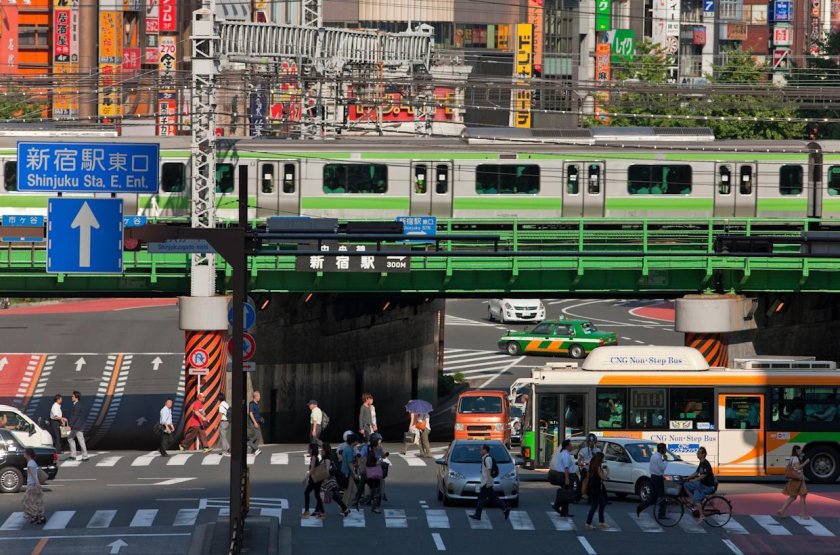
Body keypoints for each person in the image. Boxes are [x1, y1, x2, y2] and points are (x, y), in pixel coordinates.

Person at [469, 443, 510, 521]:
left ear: (485, 450)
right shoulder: (485, 458)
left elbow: (489, 470)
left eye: (481, 449)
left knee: (481, 499)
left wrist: (488, 482)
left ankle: (477, 515)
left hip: (486, 483)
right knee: (493, 498)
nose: (480, 451)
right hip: (487, 482)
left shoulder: (487, 459)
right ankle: (505, 509)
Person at [636, 442, 668, 519]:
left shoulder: (654, 456)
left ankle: (640, 507)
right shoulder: (658, 457)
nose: (665, 450)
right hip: (657, 478)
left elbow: (655, 468)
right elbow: (662, 468)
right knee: (662, 497)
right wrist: (666, 460)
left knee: (653, 498)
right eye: (664, 449)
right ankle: (661, 514)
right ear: (661, 449)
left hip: (654, 477)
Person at [683, 446, 715, 521]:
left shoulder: (706, 463)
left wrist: (695, 480)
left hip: (707, 487)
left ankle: (701, 515)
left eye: (699, 453)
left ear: (703, 454)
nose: (697, 454)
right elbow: (696, 472)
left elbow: (704, 475)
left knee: (697, 499)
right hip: (701, 485)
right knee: (686, 484)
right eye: (697, 453)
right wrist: (688, 478)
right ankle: (693, 500)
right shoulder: (701, 462)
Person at [778, 445, 810, 519]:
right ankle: (801, 514)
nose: (801, 451)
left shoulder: (793, 457)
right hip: (797, 479)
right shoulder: (795, 458)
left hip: (797, 479)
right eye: (800, 450)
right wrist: (806, 462)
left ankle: (782, 510)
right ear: (796, 451)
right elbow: (798, 467)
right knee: (801, 495)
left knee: (796, 496)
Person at [320, 442, 351, 517]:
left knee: (323, 495)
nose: (321, 451)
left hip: (329, 479)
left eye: (322, 449)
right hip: (331, 479)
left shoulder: (327, 458)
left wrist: (324, 479)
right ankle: (345, 508)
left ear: (325, 450)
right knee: (333, 496)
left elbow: (327, 470)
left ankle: (320, 511)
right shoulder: (328, 457)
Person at [550, 439, 577, 517]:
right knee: (566, 494)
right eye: (571, 445)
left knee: (566, 494)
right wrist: (567, 478)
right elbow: (566, 468)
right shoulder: (565, 455)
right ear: (567, 446)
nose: (572, 446)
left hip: (564, 475)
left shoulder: (565, 453)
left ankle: (563, 511)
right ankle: (557, 506)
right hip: (566, 475)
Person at [585, 452, 610, 530]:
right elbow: (603, 478)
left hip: (593, 488)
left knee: (602, 504)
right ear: (600, 459)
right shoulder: (598, 467)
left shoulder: (592, 466)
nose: (603, 460)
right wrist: (608, 471)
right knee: (595, 506)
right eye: (602, 458)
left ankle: (601, 522)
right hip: (597, 489)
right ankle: (588, 523)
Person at [23, 448, 46, 525]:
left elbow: (33, 474)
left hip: (32, 485)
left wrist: (37, 484)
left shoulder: (30, 463)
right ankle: (38, 517)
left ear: (28, 454)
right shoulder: (32, 462)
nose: (24, 455)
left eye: (25, 453)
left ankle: (36, 516)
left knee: (28, 501)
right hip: (33, 484)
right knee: (35, 501)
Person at [302, 443, 326, 518]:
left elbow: (312, 469)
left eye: (308, 448)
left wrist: (306, 478)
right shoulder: (314, 457)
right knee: (317, 495)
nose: (307, 449)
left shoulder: (314, 458)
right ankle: (322, 512)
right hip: (317, 479)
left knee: (306, 493)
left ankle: (307, 511)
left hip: (315, 479)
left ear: (311, 450)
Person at [67, 391, 89, 462]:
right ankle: (73, 455)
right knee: (70, 438)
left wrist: (70, 426)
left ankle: (85, 456)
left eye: (73, 396)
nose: (71, 397)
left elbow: (75, 416)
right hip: (77, 426)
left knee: (80, 441)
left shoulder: (77, 406)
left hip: (77, 426)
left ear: (76, 397)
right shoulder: (78, 404)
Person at [248, 391, 263, 456]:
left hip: (257, 422)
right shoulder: (251, 404)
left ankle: (253, 451)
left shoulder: (257, 404)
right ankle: (252, 446)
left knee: (258, 436)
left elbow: (257, 413)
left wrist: (260, 419)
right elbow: (251, 413)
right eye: (259, 396)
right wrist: (254, 422)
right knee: (256, 435)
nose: (260, 397)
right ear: (256, 396)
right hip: (253, 423)